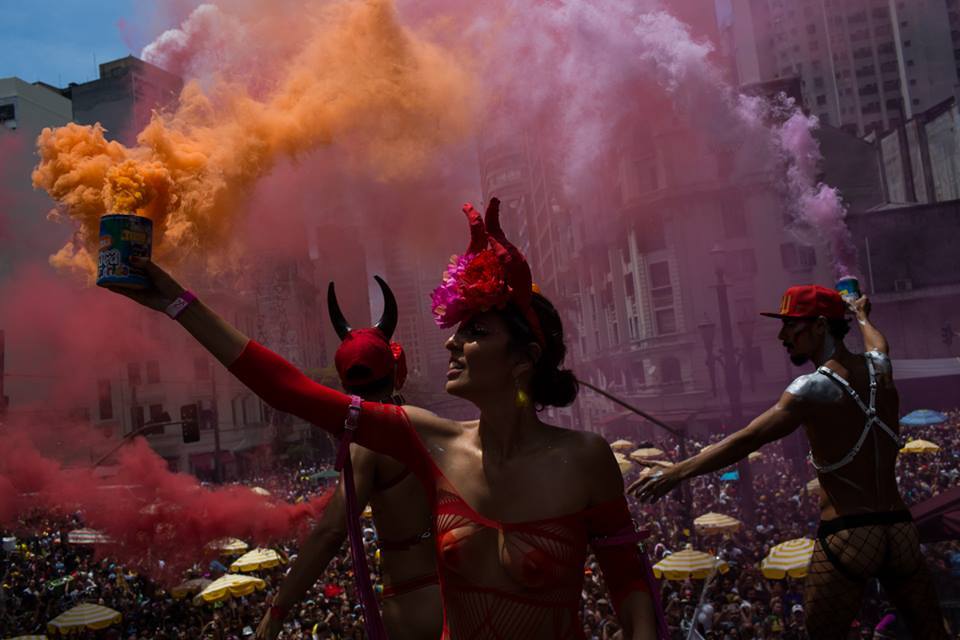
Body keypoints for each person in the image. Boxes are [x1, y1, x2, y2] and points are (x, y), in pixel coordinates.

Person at [105, 199, 664, 639]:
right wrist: (176, 301)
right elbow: (289, 391)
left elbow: (628, 581)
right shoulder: (426, 440)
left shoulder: (586, 459)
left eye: (475, 332)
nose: (451, 342)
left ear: (524, 359)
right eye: (457, 327)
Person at [630, 284, 950, 639]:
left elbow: (748, 438)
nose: (782, 336)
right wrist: (861, 316)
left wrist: (677, 472)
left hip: (849, 535)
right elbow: (878, 344)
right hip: (900, 529)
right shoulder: (880, 367)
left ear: (820, 326)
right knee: (932, 634)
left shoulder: (810, 388)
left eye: (792, 325)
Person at [255, 277, 441, 640]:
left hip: (414, 602)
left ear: (344, 389)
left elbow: (330, 533)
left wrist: (278, 609)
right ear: (396, 374)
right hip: (458, 588)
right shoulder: (430, 424)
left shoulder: (369, 446)